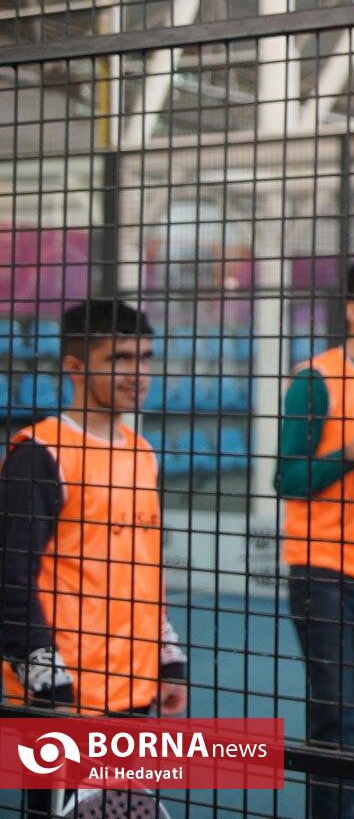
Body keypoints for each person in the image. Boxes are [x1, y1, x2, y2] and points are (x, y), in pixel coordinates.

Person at [0, 301, 186, 816]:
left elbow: (145, 565)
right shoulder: (39, 453)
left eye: (145, 358)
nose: (138, 373)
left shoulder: (141, 451)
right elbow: (10, 580)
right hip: (66, 694)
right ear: (75, 367)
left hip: (135, 688)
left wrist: (167, 659)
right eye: (119, 359)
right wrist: (48, 684)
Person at [276, 261, 354, 819]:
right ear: (353, 310)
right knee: (335, 716)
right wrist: (348, 455)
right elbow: (287, 478)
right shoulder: (315, 379)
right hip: (322, 571)